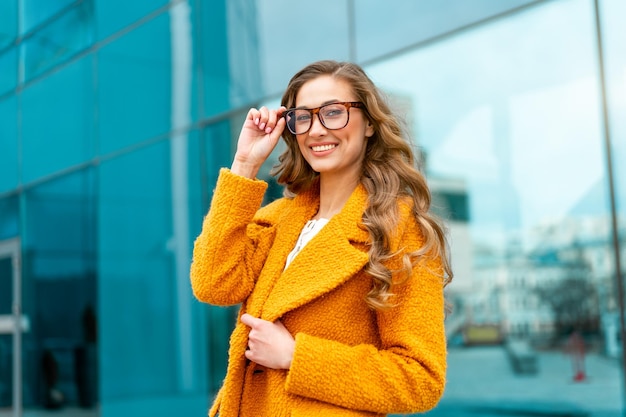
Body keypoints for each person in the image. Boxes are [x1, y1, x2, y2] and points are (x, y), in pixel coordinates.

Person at [190, 60, 453, 417]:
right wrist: (244, 164)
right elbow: (213, 285)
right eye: (303, 117)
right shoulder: (277, 220)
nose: (316, 130)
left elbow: (420, 379)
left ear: (371, 124)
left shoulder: (399, 230)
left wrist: (297, 356)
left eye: (333, 113)